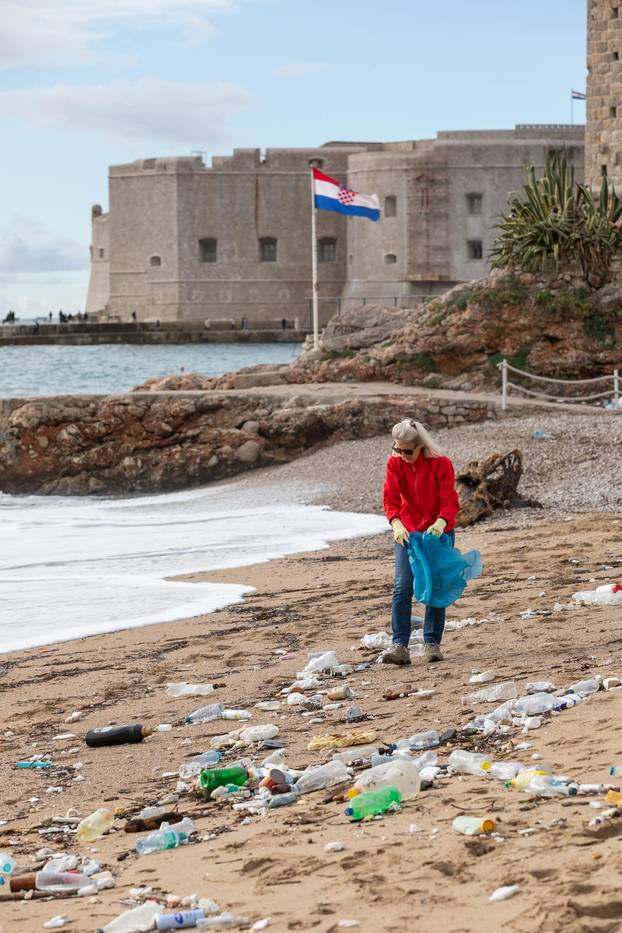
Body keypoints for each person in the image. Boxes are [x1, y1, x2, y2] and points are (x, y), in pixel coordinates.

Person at [382, 418, 460, 665]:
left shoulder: (441, 464)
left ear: (420, 447)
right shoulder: (395, 463)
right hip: (407, 532)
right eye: (397, 449)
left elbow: (450, 501)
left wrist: (441, 523)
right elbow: (390, 498)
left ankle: (431, 643)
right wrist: (395, 522)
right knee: (403, 586)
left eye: (407, 451)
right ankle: (399, 646)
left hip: (438, 532)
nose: (402, 455)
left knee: (436, 587)